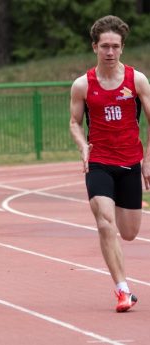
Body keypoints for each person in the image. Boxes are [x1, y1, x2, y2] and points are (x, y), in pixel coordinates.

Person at [70, 15, 150, 312]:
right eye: (104, 46)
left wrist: (148, 160)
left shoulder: (137, 80)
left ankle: (123, 285)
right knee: (105, 222)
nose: (110, 52)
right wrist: (82, 147)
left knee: (128, 232)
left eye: (115, 46)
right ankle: (122, 289)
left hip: (130, 160)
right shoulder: (82, 84)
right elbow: (74, 123)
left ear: (122, 48)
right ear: (94, 47)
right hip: (99, 161)